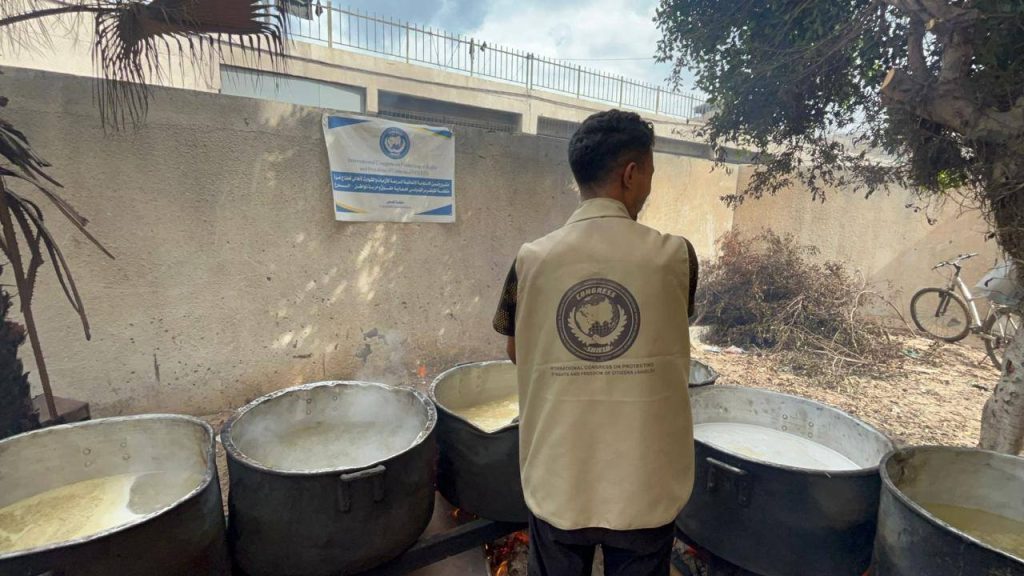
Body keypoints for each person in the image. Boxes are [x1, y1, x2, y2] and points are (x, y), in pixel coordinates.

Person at [492, 109, 698, 576]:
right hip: (645, 484)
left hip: (560, 478)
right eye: (650, 173)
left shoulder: (530, 260)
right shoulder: (677, 256)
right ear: (631, 174)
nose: (649, 186)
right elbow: (667, 326)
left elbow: (516, 351)